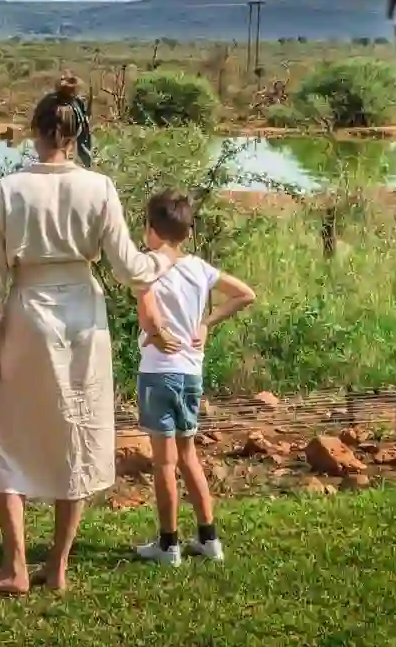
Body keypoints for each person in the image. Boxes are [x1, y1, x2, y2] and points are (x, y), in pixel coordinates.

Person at [0, 74, 177, 594]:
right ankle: (57, 566)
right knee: (76, 435)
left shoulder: (9, 190)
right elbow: (129, 266)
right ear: (76, 133)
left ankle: (15, 565)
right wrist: (163, 258)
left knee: (7, 437)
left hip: (26, 316)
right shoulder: (99, 186)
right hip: (84, 314)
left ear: (35, 131)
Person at [133, 189, 256, 565]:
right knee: (189, 457)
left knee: (165, 464)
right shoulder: (199, 268)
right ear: (187, 233)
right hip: (190, 374)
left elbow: (146, 314)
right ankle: (209, 539)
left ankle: (168, 545)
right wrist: (206, 322)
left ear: (150, 230)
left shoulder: (148, 265)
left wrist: (155, 333)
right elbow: (245, 294)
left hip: (158, 373)